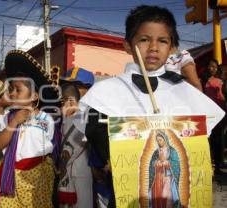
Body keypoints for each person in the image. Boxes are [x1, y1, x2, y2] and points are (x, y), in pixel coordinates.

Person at [76, 5, 225, 208]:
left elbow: (199, 137)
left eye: (162, 41)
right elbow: (96, 130)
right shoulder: (109, 90)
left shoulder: (183, 89)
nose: (153, 47)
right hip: (129, 194)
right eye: (144, 40)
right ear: (128, 45)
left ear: (172, 48)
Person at [0, 50, 59, 208]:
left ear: (34, 96)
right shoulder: (8, 117)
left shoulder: (45, 119)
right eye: (11, 89)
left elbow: (50, 146)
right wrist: (15, 122)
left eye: (18, 90)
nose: (13, 93)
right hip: (12, 175)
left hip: (38, 177)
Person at [57, 84, 93, 208]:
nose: (61, 106)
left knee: (83, 203)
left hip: (81, 171)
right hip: (68, 172)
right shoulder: (64, 120)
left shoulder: (83, 119)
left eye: (63, 102)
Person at [203, 58, 226, 173]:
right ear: (207, 67)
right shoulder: (203, 80)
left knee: (219, 138)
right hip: (208, 113)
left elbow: (223, 97)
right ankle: (208, 162)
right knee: (209, 138)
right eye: (211, 66)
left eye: (215, 67)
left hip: (220, 112)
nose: (213, 69)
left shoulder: (221, 81)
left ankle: (218, 164)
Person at [149, 131, 180, 208]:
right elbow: (151, 163)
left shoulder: (172, 151)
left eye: (160, 140)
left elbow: (176, 163)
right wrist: (156, 162)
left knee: (166, 196)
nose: (159, 142)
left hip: (168, 177)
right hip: (158, 178)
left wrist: (168, 163)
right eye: (157, 140)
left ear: (165, 139)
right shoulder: (156, 152)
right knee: (158, 197)